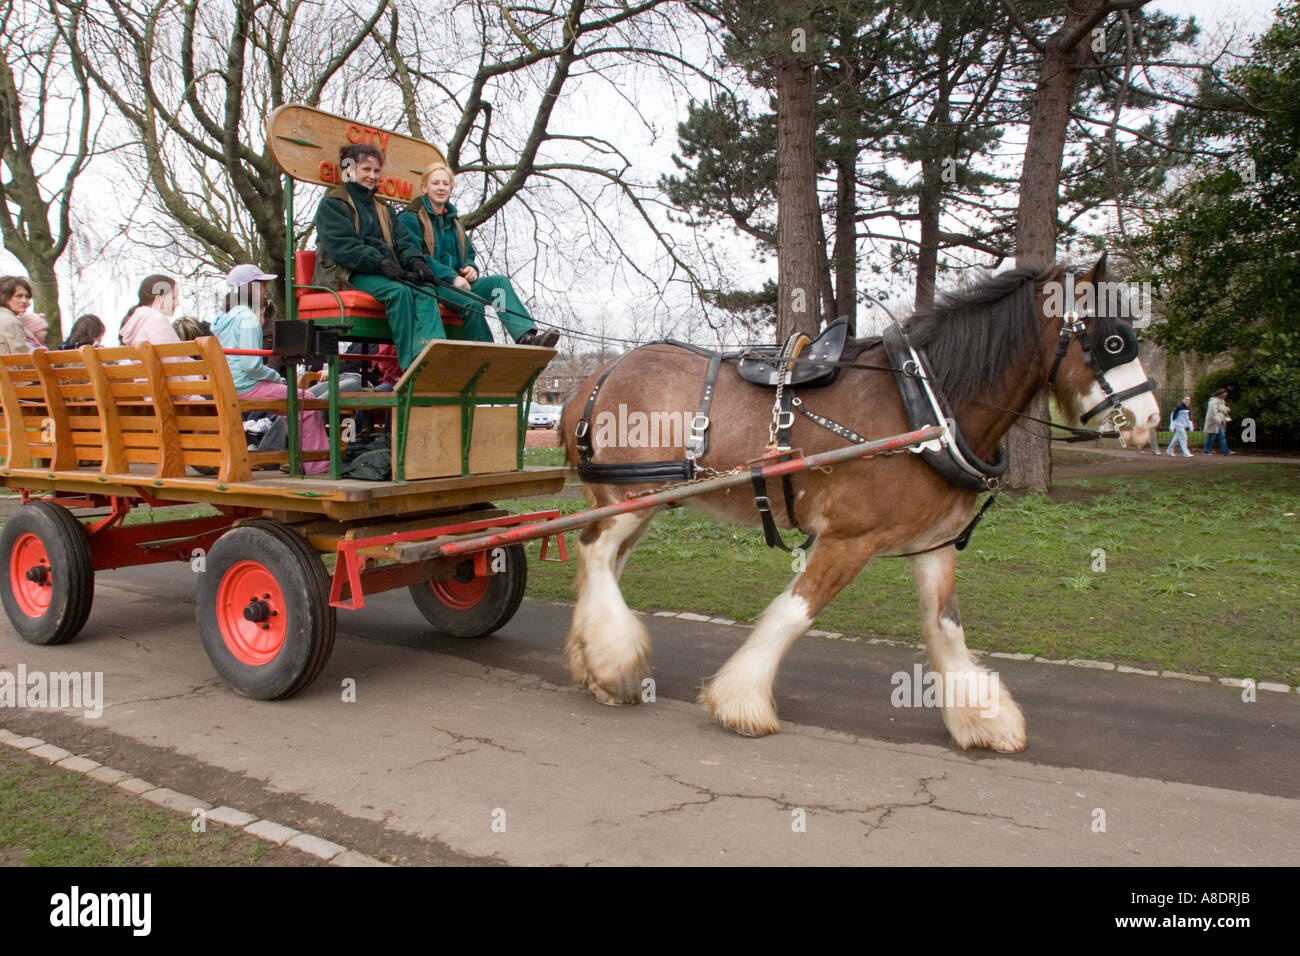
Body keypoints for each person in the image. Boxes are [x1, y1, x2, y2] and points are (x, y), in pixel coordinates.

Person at [313, 144, 446, 370]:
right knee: (399, 292)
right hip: (347, 274)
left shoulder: (384, 208)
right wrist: (381, 263)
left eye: (376, 171)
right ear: (349, 169)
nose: (372, 176)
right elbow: (345, 247)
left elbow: (403, 242)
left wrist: (416, 262)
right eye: (366, 169)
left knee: (426, 289)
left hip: (381, 272)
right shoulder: (333, 205)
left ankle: (431, 354)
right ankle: (410, 365)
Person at [397, 161, 558, 347]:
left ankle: (524, 336)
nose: (441, 188)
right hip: (433, 284)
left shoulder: (454, 222)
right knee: (472, 304)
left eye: (445, 184)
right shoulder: (411, 217)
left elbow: (468, 253)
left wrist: (470, 267)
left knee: (499, 284)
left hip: (459, 282)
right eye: (435, 183)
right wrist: (451, 277)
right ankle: (486, 353)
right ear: (425, 187)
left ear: (451, 188)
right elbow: (416, 257)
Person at [212, 264, 334, 475]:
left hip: (228, 386)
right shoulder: (247, 317)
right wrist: (275, 378)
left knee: (292, 403)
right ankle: (318, 466)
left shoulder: (224, 319)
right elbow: (251, 365)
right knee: (306, 400)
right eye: (262, 287)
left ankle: (297, 458)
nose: (265, 292)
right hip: (246, 386)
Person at [120, 274, 181, 346]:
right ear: (158, 299)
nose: (178, 303)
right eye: (173, 298)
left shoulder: (136, 322)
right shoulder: (157, 320)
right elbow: (172, 355)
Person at [0, 275, 34, 353]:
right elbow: (21, 357)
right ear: (4, 297)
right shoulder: (11, 321)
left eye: (27, 296)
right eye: (19, 296)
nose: (25, 300)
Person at [1203, 388, 1233, 455]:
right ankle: (1225, 451)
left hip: (1219, 420)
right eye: (1223, 395)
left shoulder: (1222, 401)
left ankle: (1208, 450)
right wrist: (1218, 420)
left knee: (1213, 436)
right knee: (1217, 436)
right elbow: (1213, 412)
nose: (1224, 397)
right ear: (1219, 394)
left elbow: (1222, 409)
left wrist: (1226, 410)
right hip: (1214, 421)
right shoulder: (1213, 401)